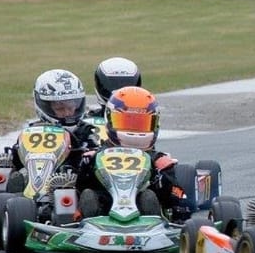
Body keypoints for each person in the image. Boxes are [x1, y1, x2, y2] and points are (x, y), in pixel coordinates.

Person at [77, 86, 187, 221]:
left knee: (148, 197)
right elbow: (78, 188)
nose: (133, 131)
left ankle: (153, 226)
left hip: (146, 214)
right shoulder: (96, 156)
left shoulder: (160, 161)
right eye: (126, 122)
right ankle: (89, 226)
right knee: (88, 197)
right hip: (103, 212)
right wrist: (86, 168)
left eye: (140, 123)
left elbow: (180, 196)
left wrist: (163, 182)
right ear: (110, 120)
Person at [0, 69, 101, 180]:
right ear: (44, 106)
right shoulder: (31, 133)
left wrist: (89, 156)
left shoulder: (85, 132)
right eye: (60, 108)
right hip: (35, 186)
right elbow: (14, 161)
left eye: (71, 108)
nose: (67, 113)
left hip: (76, 186)